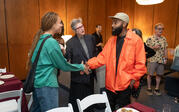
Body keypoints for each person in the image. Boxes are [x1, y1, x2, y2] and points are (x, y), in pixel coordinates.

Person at [26, 12, 88, 112]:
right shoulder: (51, 42)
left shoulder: (40, 40)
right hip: (47, 86)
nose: (62, 25)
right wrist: (81, 67)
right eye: (60, 22)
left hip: (38, 85)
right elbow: (63, 65)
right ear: (53, 24)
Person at [87, 12, 147, 111]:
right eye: (113, 22)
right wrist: (88, 64)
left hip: (125, 86)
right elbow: (101, 58)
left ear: (124, 24)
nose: (112, 25)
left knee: (123, 110)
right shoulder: (111, 40)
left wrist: (132, 80)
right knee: (109, 109)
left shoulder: (136, 41)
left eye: (115, 22)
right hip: (110, 86)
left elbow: (140, 64)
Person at [65, 18, 96, 112]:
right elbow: (67, 59)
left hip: (90, 75)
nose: (82, 29)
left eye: (82, 26)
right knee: (79, 102)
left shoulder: (91, 38)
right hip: (78, 77)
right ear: (75, 30)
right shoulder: (70, 43)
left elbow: (94, 53)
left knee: (90, 100)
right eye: (78, 28)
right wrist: (63, 52)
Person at [131, 28, 156, 102]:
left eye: (134, 34)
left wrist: (143, 57)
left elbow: (152, 52)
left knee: (135, 90)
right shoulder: (128, 45)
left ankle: (132, 106)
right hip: (130, 70)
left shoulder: (142, 44)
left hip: (139, 70)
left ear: (139, 36)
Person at [146, 23, 168, 96]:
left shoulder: (164, 38)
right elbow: (145, 49)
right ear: (155, 29)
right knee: (150, 75)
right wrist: (153, 47)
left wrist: (165, 58)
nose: (161, 30)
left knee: (159, 75)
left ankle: (157, 88)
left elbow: (165, 49)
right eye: (159, 29)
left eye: (162, 29)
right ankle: (149, 88)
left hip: (161, 60)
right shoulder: (150, 38)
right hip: (152, 59)